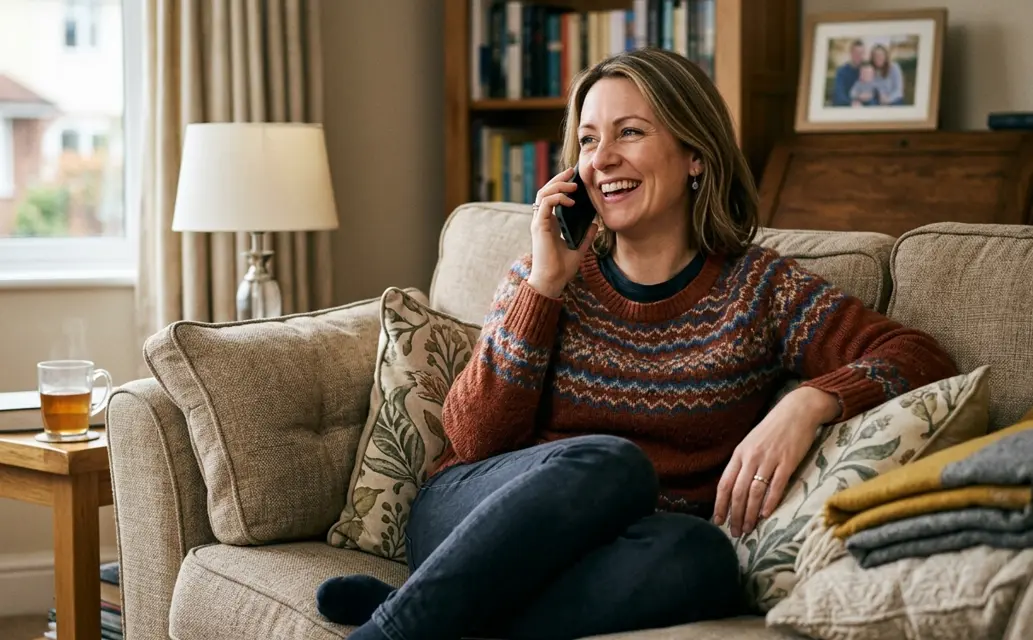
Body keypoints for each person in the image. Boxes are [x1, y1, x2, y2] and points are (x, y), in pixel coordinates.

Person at [315, 47, 958, 640]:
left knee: (703, 560)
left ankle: (438, 613)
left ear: (695, 154)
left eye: (630, 132)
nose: (602, 159)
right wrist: (543, 289)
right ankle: (393, 634)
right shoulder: (546, 273)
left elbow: (921, 358)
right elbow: (475, 441)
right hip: (473, 517)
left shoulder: (760, 290)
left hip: (621, 547)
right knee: (612, 463)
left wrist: (808, 403)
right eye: (589, 140)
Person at [832, 40, 866, 106]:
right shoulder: (841, 72)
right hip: (846, 107)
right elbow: (839, 95)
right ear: (851, 53)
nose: (858, 56)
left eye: (861, 53)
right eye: (856, 52)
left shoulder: (866, 70)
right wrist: (851, 103)